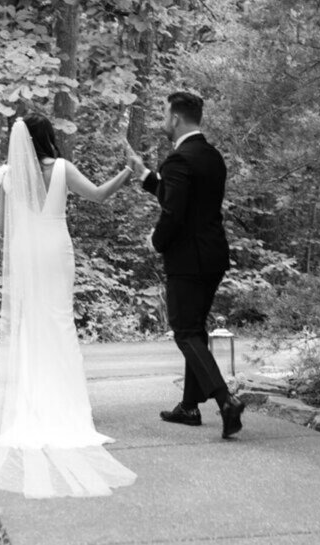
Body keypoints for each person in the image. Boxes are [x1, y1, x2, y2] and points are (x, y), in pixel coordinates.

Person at [0, 112, 138, 498]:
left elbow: (5, 228)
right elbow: (101, 195)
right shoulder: (63, 169)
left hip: (26, 252)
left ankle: (33, 405)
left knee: (31, 326)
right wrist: (129, 172)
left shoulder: (10, 176)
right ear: (48, 137)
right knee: (59, 322)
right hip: (54, 250)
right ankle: (67, 410)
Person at [127, 92, 245, 438]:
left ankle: (226, 400)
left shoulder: (178, 160)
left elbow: (174, 212)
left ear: (175, 118)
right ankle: (190, 407)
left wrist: (155, 241)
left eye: (165, 114)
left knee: (185, 330)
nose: (164, 120)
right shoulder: (211, 157)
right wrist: (146, 174)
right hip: (213, 255)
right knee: (195, 329)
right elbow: (180, 197)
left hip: (187, 259)